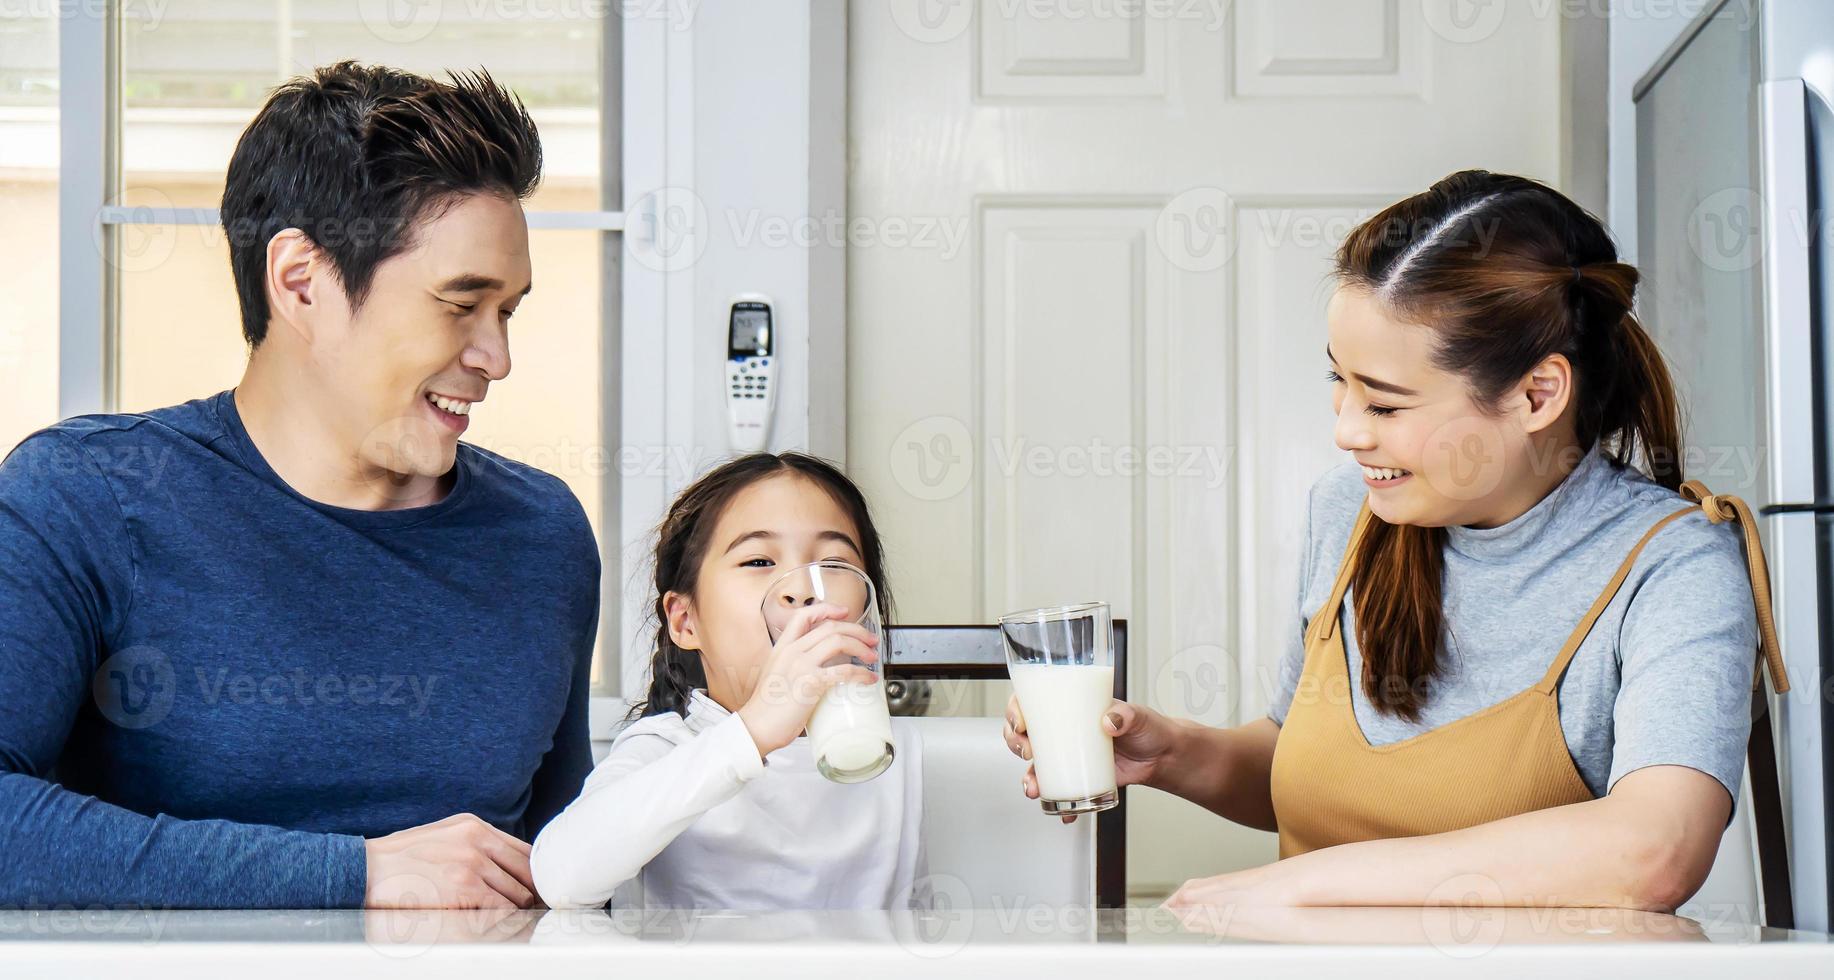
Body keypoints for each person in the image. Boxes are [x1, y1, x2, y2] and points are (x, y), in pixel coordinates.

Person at [1003, 170, 1788, 912]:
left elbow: (1655, 850)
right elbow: (1303, 767)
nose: (1346, 431)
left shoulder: (1675, 567)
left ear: (1536, 394)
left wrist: (1313, 885)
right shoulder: (1351, 512)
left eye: (1383, 405)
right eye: (1338, 383)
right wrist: (1169, 753)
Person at [0, 62, 598, 909]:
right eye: (460, 304)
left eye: (509, 311)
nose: (497, 358)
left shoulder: (544, 536)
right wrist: (354, 875)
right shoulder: (88, 496)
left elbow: (570, 861)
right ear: (301, 282)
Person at [531, 453, 926, 910]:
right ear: (685, 621)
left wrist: (1029, 744)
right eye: (759, 561)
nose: (803, 589)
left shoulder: (900, 752)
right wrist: (751, 733)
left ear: (867, 610)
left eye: (834, 564)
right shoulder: (665, 747)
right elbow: (561, 877)